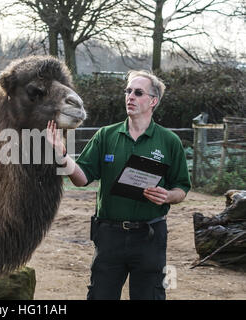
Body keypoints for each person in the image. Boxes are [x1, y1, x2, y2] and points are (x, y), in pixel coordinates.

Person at [47, 70, 191, 300]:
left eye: (138, 92)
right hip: (109, 236)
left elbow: (182, 188)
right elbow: (82, 178)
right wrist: (62, 155)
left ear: (153, 101)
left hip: (150, 236)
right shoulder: (106, 135)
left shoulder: (169, 141)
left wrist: (168, 196)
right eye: (128, 91)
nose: (130, 96)